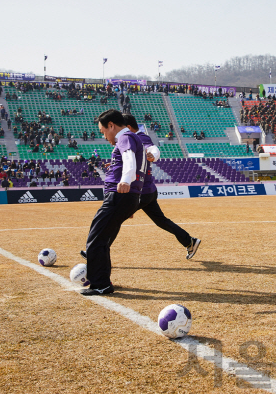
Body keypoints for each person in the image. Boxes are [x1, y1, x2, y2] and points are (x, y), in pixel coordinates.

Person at [81, 114, 200, 261]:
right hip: (148, 189)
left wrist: (153, 155)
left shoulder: (136, 137)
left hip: (141, 190)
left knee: (114, 218)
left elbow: (154, 149)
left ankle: (96, 251)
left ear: (128, 127)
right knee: (160, 220)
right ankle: (189, 241)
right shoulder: (132, 138)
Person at [81, 109, 145, 296]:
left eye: (103, 131)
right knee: (103, 239)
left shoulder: (124, 137)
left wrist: (125, 179)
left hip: (119, 195)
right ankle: (102, 280)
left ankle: (100, 284)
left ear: (111, 125)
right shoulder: (133, 138)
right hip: (127, 197)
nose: (104, 136)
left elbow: (129, 159)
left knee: (96, 239)